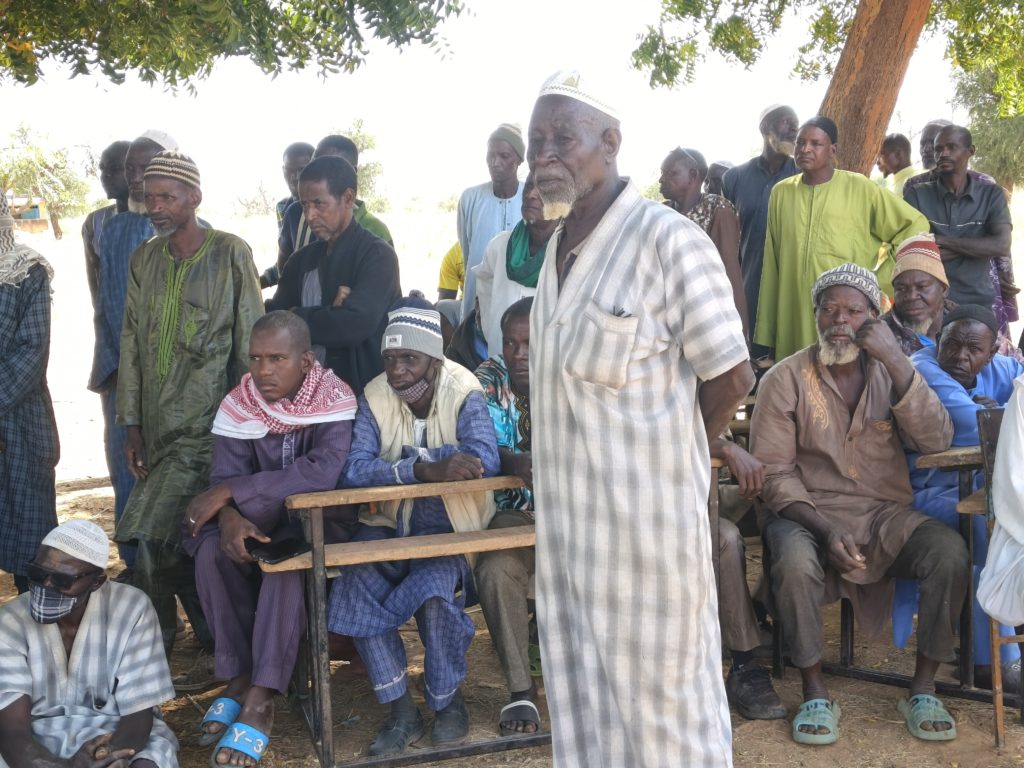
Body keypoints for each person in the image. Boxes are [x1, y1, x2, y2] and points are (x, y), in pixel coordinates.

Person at [528, 69, 752, 766]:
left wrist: (674, 456)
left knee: (667, 718)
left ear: (611, 142)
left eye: (563, 138)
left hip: (648, 542)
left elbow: (732, 374)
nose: (545, 155)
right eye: (537, 140)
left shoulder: (667, 240)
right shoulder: (555, 252)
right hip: (570, 543)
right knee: (586, 709)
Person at [751, 263, 966, 745]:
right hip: (808, 513)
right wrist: (825, 530)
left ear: (874, 316)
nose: (840, 321)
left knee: (948, 552)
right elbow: (774, 475)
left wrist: (896, 360)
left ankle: (923, 689)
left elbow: (936, 439)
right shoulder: (785, 378)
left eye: (853, 311)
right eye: (829, 310)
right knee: (792, 556)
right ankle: (814, 691)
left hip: (883, 514)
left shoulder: (892, 370)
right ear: (816, 316)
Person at [182, 312, 358, 767]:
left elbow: (321, 473)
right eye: (256, 358)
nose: (264, 371)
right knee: (210, 552)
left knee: (284, 563)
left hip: (316, 526)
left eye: (277, 358)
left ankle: (263, 694)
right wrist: (230, 517)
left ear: (306, 360)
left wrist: (232, 493)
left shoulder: (334, 400)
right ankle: (239, 675)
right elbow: (223, 476)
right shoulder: (240, 403)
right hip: (255, 520)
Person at [325, 306, 499, 756]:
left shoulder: (465, 390)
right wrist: (425, 468)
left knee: (436, 593)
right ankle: (401, 709)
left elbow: (485, 458)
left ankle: (447, 702)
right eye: (390, 359)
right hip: (386, 525)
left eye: (409, 360)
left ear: (434, 361)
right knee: (356, 582)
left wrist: (408, 463)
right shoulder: (374, 394)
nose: (397, 371)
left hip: (451, 527)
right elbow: (353, 469)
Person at [115, 150, 265, 656]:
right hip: (157, 429)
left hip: (211, 428)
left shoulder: (229, 253)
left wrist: (247, 430)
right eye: (148, 197)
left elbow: (250, 346)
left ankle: (156, 651)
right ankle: (216, 639)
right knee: (178, 537)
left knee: (152, 538)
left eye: (167, 197)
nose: (155, 207)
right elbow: (131, 343)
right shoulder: (145, 259)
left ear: (194, 198)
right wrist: (132, 423)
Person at [894, 305, 1024, 692]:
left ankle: (1005, 640)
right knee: (989, 530)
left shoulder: (1001, 368)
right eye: (952, 345)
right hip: (927, 490)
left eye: (973, 350)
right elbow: (971, 426)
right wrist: (1002, 412)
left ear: (992, 352)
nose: (960, 357)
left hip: (978, 484)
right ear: (938, 341)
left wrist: (998, 412)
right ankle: (991, 662)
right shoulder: (923, 367)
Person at [0, 520, 178, 768]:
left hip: (116, 732)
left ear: (97, 582)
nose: (45, 585)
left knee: (147, 761)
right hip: (35, 737)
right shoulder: (9, 621)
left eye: (62, 580)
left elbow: (138, 717)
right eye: (38, 574)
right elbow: (13, 732)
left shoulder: (132, 608)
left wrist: (106, 757)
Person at [755, 116, 928, 361]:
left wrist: (877, 280)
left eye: (816, 144)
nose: (805, 149)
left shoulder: (860, 188)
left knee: (844, 374)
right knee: (797, 377)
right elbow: (772, 264)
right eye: (800, 143)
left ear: (832, 150)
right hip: (791, 314)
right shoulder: (781, 193)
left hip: (845, 315)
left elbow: (915, 226)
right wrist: (768, 331)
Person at [90, 130, 178, 576]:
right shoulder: (107, 228)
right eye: (132, 169)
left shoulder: (195, 233)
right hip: (123, 373)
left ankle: (175, 567)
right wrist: (112, 369)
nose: (139, 178)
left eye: (149, 168)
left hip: (177, 382)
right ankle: (136, 563)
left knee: (174, 470)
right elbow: (105, 304)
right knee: (128, 466)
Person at [268, 155, 401, 395]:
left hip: (363, 395)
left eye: (319, 204)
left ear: (348, 198)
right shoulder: (300, 261)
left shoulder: (378, 256)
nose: (309, 215)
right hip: (302, 394)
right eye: (304, 205)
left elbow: (353, 326)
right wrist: (331, 313)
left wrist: (296, 314)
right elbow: (274, 323)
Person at [473, 298, 540, 735]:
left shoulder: (575, 373)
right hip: (513, 513)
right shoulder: (488, 379)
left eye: (529, 343)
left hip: (581, 512)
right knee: (496, 569)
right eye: (510, 343)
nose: (519, 354)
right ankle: (521, 690)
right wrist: (512, 461)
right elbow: (479, 442)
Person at [904, 125, 1015, 336]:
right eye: (938, 149)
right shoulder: (916, 194)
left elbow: (1001, 245)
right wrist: (979, 244)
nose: (943, 154)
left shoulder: (991, 194)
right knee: (927, 357)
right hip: (928, 305)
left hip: (978, 303)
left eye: (951, 147)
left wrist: (940, 240)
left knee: (972, 354)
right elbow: (915, 253)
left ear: (970, 151)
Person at [0, 195, 58, 595]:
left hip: (20, 422)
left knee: (30, 536)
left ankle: (39, 621)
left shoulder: (27, 270)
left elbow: (31, 352)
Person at [721, 105, 798, 352]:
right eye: (787, 121)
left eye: (796, 123)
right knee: (751, 357)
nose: (794, 128)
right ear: (765, 127)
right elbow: (728, 239)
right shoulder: (734, 178)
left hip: (791, 286)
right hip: (749, 287)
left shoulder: (803, 174)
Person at [274, 135, 394, 285]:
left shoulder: (376, 232)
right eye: (315, 165)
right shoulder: (296, 214)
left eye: (331, 168)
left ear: (352, 172)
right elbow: (285, 277)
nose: (318, 174)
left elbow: (381, 291)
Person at [660, 146, 749, 340]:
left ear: (692, 175)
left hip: (707, 314)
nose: (661, 180)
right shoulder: (662, 212)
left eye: (670, 173)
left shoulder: (718, 209)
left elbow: (730, 272)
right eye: (662, 173)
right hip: (667, 312)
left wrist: (740, 332)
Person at [473, 174, 557, 356]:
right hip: (502, 358)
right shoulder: (500, 245)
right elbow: (484, 288)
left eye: (543, 189)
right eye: (528, 186)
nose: (530, 194)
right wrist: (494, 334)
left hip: (549, 363)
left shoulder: (570, 253)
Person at [458, 124, 525, 316]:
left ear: (518, 160)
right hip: (477, 298)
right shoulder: (470, 198)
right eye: (491, 155)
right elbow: (468, 252)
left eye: (504, 156)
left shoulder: (532, 198)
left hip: (518, 300)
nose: (495, 163)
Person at [880, 234, 955, 355]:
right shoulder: (881, 336)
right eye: (901, 288)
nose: (911, 296)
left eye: (922, 287)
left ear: (944, 290)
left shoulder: (968, 327)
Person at [83, 139, 130, 306]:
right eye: (102, 168)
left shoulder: (158, 221)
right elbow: (95, 280)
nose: (105, 175)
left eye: (115, 168)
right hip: (114, 315)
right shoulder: (94, 222)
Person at [276, 142, 314, 226]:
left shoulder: (324, 208)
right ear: (283, 170)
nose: (294, 177)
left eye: (301, 170)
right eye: (289, 170)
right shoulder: (282, 206)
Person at [876, 133, 918, 198]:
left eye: (882, 155)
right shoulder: (898, 184)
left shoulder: (910, 186)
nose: (878, 162)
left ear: (898, 154)